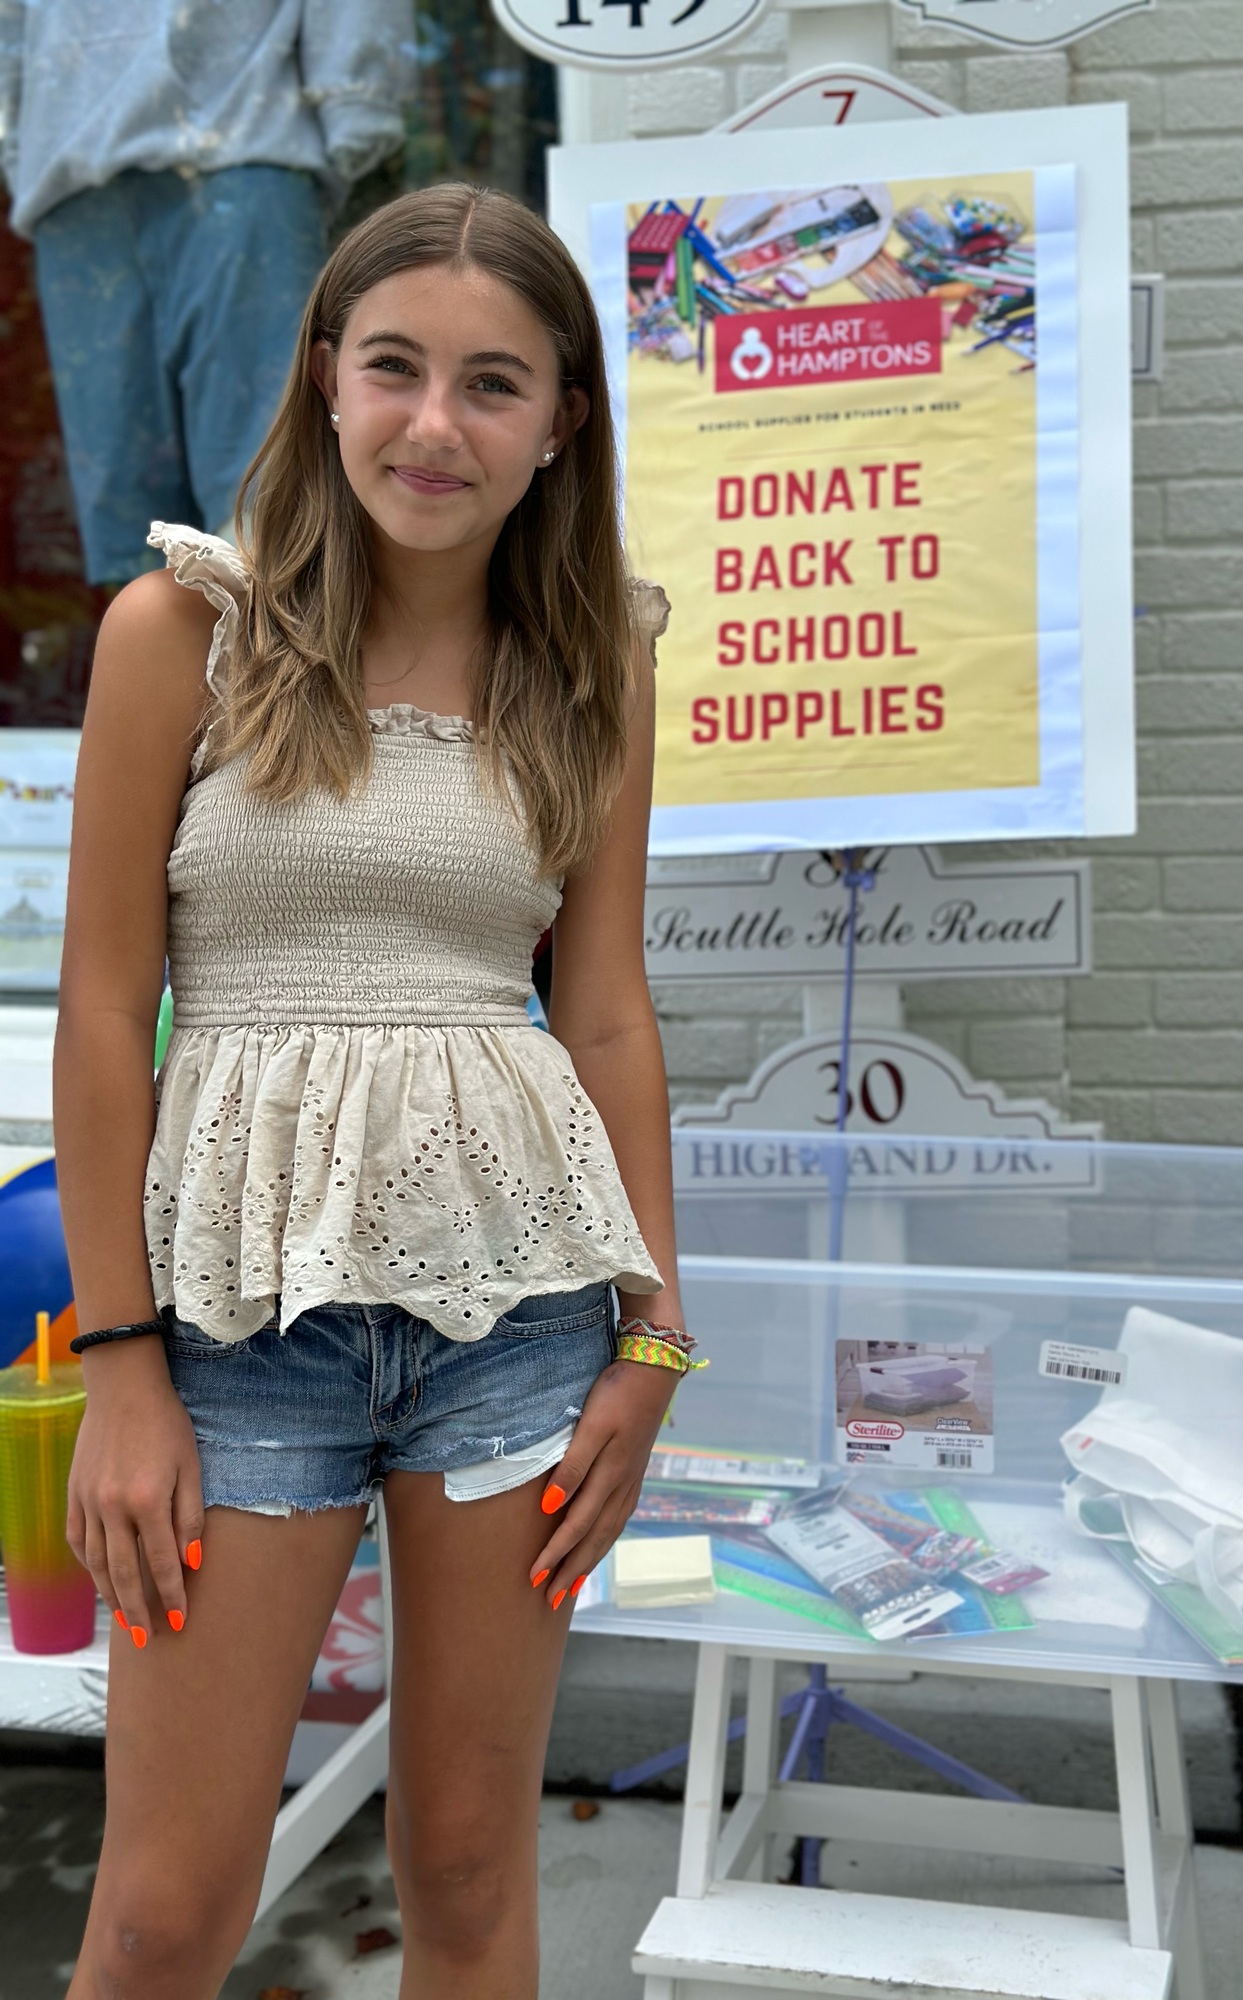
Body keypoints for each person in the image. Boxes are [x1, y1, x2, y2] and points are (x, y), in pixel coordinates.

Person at [53, 181, 695, 1999]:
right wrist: (121, 1369)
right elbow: (106, 1014)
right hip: (234, 1325)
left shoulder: (598, 660)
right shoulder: (180, 634)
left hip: (522, 1322)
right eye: (396, 367)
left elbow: (611, 1012)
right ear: (326, 378)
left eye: (494, 383)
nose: (435, 424)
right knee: (169, 1909)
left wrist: (651, 1340)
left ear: (562, 416)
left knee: (475, 1869)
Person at [0, 0, 414, 584]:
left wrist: (355, 114)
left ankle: (285, 677)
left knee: (267, 507)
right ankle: (153, 674)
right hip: (73, 180)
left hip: (245, 148)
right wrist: (23, 148)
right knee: (133, 527)